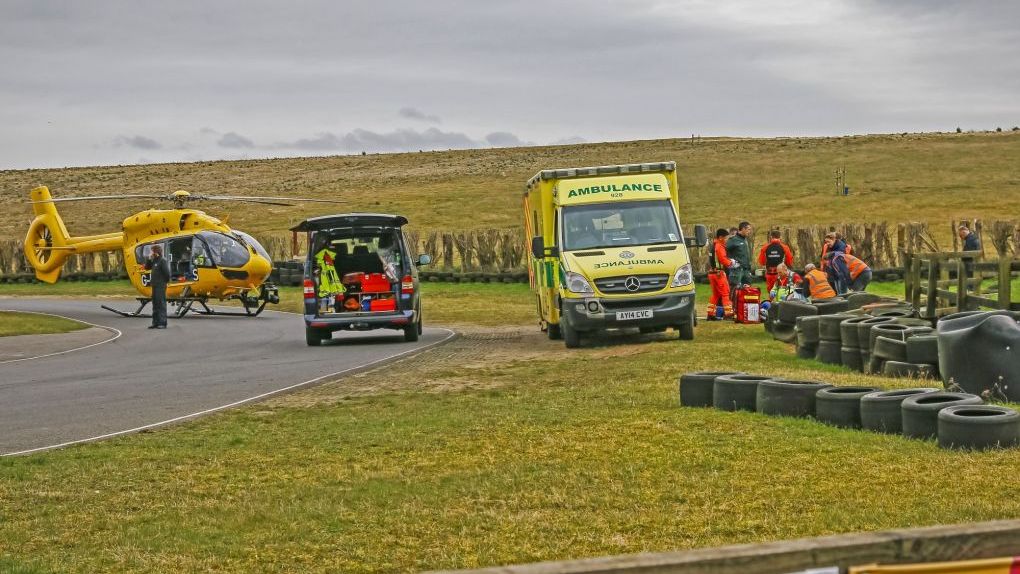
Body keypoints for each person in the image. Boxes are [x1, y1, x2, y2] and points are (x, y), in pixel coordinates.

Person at [706, 228, 734, 320]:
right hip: (719, 274)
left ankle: (710, 314)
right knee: (726, 294)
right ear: (721, 237)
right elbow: (722, 259)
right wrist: (731, 263)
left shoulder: (713, 245)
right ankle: (729, 314)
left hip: (712, 273)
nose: (727, 240)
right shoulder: (719, 246)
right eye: (726, 238)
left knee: (716, 295)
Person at [758, 230, 794, 298]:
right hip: (781, 274)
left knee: (771, 292)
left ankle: (772, 306)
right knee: (782, 291)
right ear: (780, 237)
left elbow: (761, 261)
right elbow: (789, 260)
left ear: (771, 237)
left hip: (769, 273)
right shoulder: (784, 247)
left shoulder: (765, 247)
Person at [144, 244, 170, 329]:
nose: (151, 253)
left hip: (160, 285)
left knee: (161, 304)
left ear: (156, 251)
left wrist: (164, 282)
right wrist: (149, 258)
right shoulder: (154, 261)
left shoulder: (162, 261)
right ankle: (155, 322)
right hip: (154, 285)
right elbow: (146, 267)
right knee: (155, 304)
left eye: (152, 251)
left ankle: (162, 323)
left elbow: (167, 274)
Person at [725, 221, 754, 292]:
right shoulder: (733, 240)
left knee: (747, 291)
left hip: (746, 270)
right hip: (736, 271)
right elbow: (724, 251)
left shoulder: (745, 240)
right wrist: (730, 261)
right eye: (748, 229)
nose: (749, 231)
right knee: (734, 291)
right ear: (743, 229)